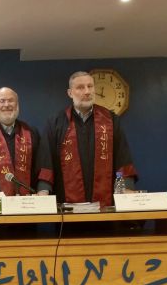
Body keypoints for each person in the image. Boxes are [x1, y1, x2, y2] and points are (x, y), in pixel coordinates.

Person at [46, 71, 137, 206]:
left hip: (105, 205)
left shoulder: (110, 120)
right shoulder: (56, 122)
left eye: (90, 86)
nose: (87, 91)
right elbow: (46, 160)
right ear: (70, 93)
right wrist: (44, 190)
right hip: (67, 203)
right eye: (80, 87)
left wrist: (127, 188)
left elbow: (122, 157)